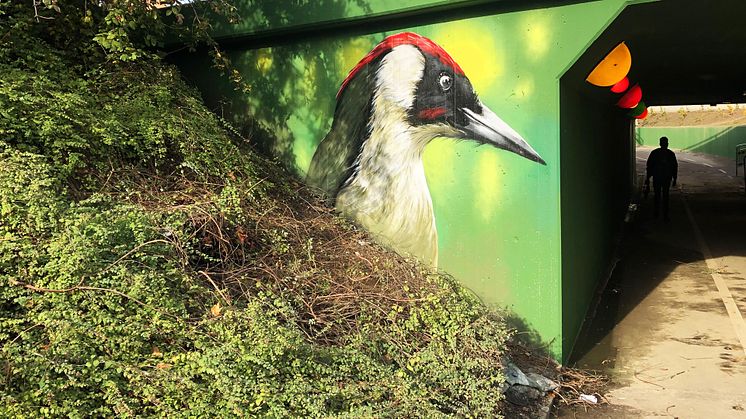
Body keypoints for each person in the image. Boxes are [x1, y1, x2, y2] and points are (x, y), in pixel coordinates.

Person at [645, 136, 678, 220]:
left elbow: (649, 166)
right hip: (666, 178)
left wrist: (647, 179)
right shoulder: (670, 154)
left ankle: (656, 213)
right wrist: (674, 179)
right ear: (667, 144)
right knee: (665, 196)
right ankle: (665, 215)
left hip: (657, 178)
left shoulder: (654, 153)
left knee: (657, 196)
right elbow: (674, 167)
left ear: (660, 143)